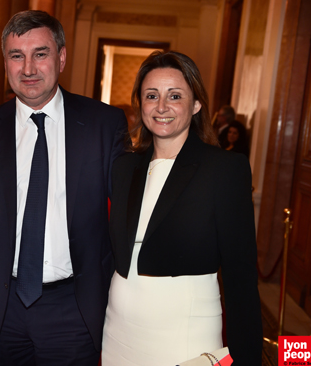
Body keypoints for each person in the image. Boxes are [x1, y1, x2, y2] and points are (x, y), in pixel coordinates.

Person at [0, 10, 127, 366]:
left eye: (40, 54)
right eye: (17, 56)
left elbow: (129, 212)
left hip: (74, 308)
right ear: (6, 62)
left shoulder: (102, 124)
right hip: (3, 309)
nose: (28, 69)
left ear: (61, 57)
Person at [103, 51, 262, 366]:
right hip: (118, 333)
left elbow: (240, 275)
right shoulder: (124, 167)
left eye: (174, 96)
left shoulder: (224, 169)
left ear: (196, 104)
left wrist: (247, 359)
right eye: (152, 96)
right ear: (141, 105)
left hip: (184, 336)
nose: (161, 106)